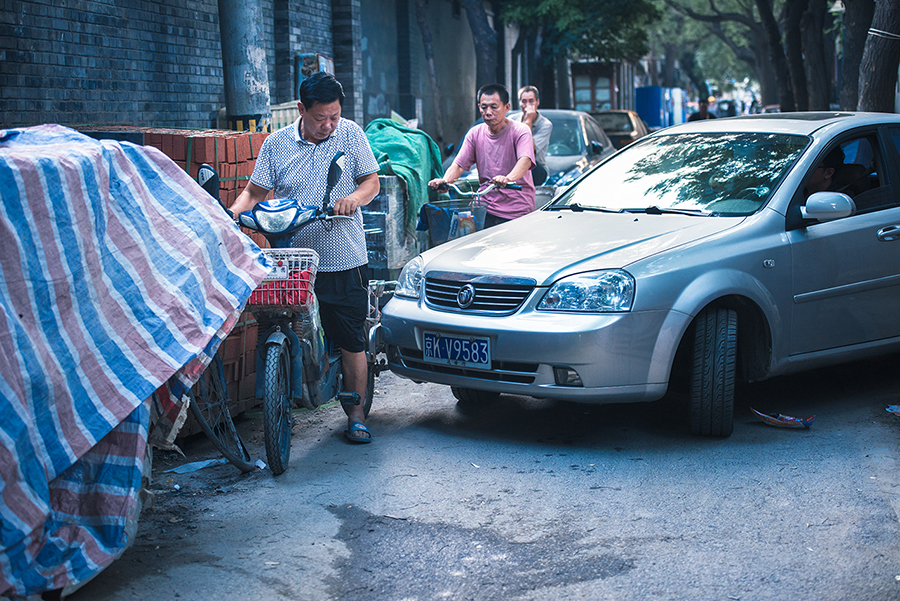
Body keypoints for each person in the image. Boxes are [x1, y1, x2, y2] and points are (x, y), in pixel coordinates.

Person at [229, 72, 380, 444]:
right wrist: (232, 214)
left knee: (350, 338)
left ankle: (357, 413)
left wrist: (354, 199)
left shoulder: (350, 134)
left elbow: (371, 182)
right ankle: (283, 398)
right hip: (291, 261)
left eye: (334, 116)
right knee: (277, 326)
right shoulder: (277, 144)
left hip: (342, 256)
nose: (328, 125)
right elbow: (254, 192)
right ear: (301, 109)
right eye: (319, 118)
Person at [428, 83, 535, 228]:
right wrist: (445, 182)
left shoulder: (520, 131)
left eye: (494, 107)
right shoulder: (475, 133)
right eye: (484, 107)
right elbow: (459, 165)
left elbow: (525, 160)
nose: (488, 112)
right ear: (479, 108)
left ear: (507, 107)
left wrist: (508, 179)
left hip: (517, 209)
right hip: (485, 207)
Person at [510, 85, 553, 185]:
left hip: (535, 168)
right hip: (513, 165)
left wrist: (528, 119)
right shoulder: (512, 120)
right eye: (524, 101)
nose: (527, 105)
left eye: (531, 101)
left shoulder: (545, 125)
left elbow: (528, 147)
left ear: (537, 102)